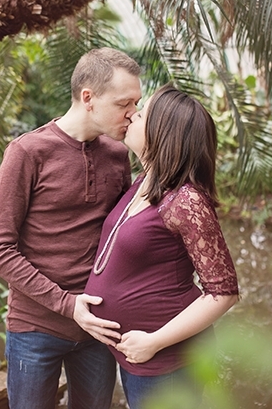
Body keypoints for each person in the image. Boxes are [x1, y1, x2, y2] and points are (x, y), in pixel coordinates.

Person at [0, 47, 142, 409]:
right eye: (124, 104)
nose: (133, 114)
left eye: (137, 103)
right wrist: (68, 305)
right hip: (35, 329)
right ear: (88, 98)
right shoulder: (28, 152)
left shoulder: (118, 154)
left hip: (99, 328)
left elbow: (121, 235)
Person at [83, 84, 240, 409]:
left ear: (162, 133)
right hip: (137, 355)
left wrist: (154, 341)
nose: (132, 115)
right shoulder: (142, 184)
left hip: (164, 359)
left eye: (141, 114)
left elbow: (224, 291)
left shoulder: (185, 199)